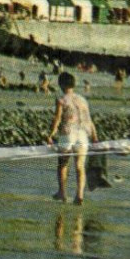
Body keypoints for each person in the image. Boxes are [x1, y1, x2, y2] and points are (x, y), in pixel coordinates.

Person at [47, 71, 97, 204]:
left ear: (61, 84)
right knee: (80, 166)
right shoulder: (82, 99)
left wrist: (50, 134)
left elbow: (57, 118)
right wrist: (94, 136)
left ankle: (62, 193)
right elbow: (89, 119)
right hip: (83, 135)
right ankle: (79, 195)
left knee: (62, 164)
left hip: (68, 133)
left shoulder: (61, 99)